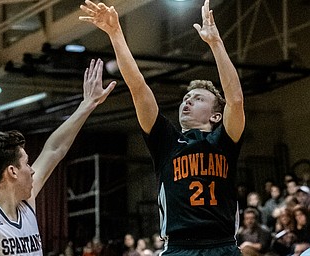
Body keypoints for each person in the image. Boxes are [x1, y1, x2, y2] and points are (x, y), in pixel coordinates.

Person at [79, 0, 245, 255]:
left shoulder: (225, 141)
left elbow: (235, 99)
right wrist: (115, 33)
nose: (188, 100)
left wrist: (215, 43)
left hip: (222, 246)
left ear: (216, 117)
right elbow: (138, 87)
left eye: (198, 98)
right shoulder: (166, 141)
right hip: (178, 248)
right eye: (186, 98)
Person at [0, 59, 116, 255]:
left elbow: (54, 149)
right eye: (26, 163)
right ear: (12, 171)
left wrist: (87, 105)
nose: (32, 170)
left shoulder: (26, 203)